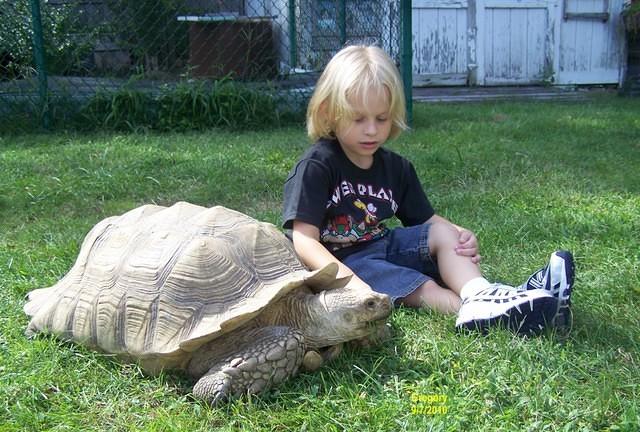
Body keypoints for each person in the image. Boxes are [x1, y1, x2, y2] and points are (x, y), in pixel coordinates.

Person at [282, 45, 574, 334]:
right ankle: (487, 311)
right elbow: (304, 241)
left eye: (381, 118)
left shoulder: (397, 168)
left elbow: (426, 221)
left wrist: (458, 233)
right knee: (426, 287)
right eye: (358, 119)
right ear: (329, 112)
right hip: (349, 262)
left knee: (443, 235)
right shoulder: (318, 165)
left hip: (383, 246)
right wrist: (348, 282)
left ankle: (488, 294)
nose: (372, 130)